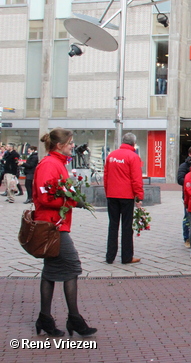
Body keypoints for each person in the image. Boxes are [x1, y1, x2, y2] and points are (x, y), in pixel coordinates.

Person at [33, 127, 97, 337]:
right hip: (53, 226)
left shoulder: (56, 163)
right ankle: (74, 319)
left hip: (55, 224)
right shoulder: (50, 164)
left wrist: (71, 198)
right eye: (70, 142)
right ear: (59, 145)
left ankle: (45, 318)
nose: (73, 145)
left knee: (51, 272)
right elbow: (44, 197)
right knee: (72, 266)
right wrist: (72, 201)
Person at [104, 133, 144, 264]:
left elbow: (106, 176)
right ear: (134, 143)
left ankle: (110, 257)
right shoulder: (133, 157)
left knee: (113, 225)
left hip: (112, 194)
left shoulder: (111, 156)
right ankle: (126, 257)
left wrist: (108, 191)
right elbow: (136, 179)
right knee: (127, 227)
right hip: (126, 195)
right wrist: (139, 197)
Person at [177, 146, 191, 248]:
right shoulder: (184, 166)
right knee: (188, 218)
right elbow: (180, 179)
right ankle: (187, 238)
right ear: (189, 154)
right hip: (188, 195)